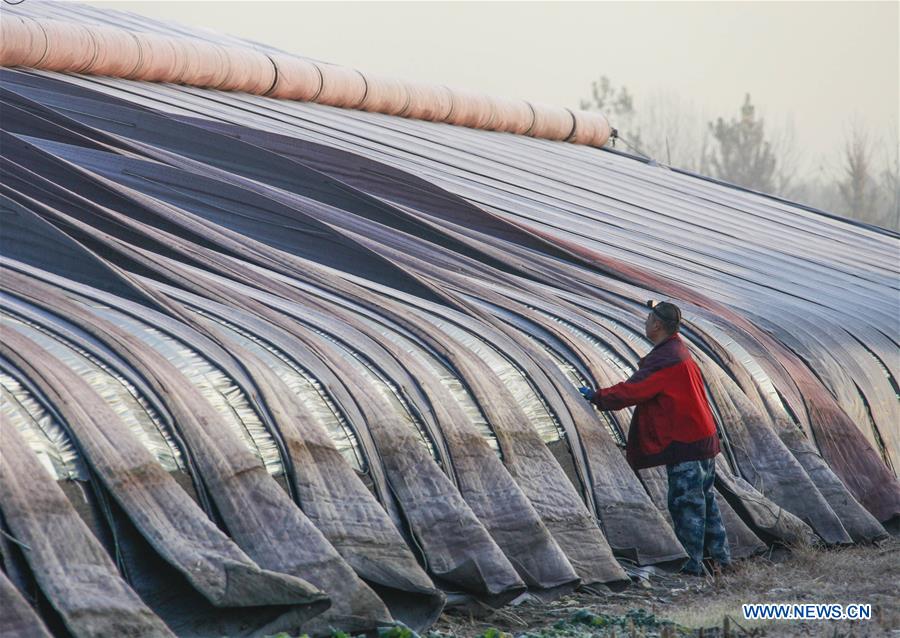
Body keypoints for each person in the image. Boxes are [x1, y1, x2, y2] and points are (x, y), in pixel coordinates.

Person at [579, 300, 731, 576]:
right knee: (704, 500)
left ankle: (693, 566)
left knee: (686, 503)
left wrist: (597, 397)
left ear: (658, 324)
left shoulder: (666, 359)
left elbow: (633, 391)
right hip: (701, 437)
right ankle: (719, 560)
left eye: (649, 317)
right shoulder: (676, 350)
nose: (646, 321)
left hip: (687, 442)